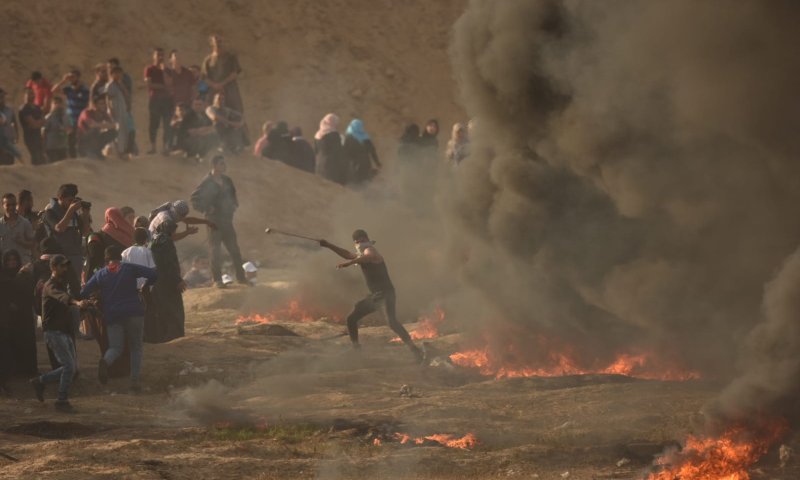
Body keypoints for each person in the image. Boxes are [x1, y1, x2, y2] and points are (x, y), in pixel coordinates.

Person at [319, 230, 423, 363]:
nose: (360, 243)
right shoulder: (361, 254)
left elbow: (367, 257)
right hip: (375, 297)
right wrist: (328, 245)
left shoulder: (371, 250)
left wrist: (350, 263)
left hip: (386, 295)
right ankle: (356, 350)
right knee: (351, 318)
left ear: (367, 240)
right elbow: (347, 254)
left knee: (392, 322)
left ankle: (415, 350)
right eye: (357, 242)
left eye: (362, 240)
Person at [81, 245, 157, 392]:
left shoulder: (100, 274)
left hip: (113, 314)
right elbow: (153, 274)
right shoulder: (129, 268)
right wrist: (146, 286)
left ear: (106, 260)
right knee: (136, 347)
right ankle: (134, 382)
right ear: (120, 258)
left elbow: (84, 292)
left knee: (115, 348)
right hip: (134, 312)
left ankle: (105, 362)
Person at [30, 254, 89, 412]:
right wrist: (77, 302)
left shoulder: (61, 283)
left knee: (71, 368)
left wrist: (85, 304)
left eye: (66, 265)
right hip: (54, 332)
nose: (65, 268)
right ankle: (61, 401)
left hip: (64, 331)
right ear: (53, 267)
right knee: (69, 366)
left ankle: (40, 381)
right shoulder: (50, 285)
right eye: (62, 266)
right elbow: (64, 298)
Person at [190, 155, 246, 287]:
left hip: (227, 220)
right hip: (213, 221)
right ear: (214, 166)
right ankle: (217, 280)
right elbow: (194, 198)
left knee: (235, 250)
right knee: (215, 251)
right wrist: (206, 208)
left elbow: (233, 195)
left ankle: (241, 278)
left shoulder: (227, 180)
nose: (224, 166)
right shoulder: (207, 182)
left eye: (224, 164)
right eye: (222, 164)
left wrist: (234, 205)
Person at [201, 34, 248, 144]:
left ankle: (243, 141)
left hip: (230, 90)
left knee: (237, 112)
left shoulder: (230, 57)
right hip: (214, 92)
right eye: (216, 41)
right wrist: (214, 85)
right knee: (213, 114)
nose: (218, 43)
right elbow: (204, 77)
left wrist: (223, 83)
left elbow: (234, 73)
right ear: (211, 43)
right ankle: (214, 143)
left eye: (220, 41)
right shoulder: (208, 60)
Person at [145, 219, 186, 343]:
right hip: (168, 281)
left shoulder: (152, 240)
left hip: (155, 280)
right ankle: (175, 336)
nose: (174, 233)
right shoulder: (167, 242)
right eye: (174, 231)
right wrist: (178, 280)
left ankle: (161, 336)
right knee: (174, 309)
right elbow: (170, 263)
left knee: (161, 309)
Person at [43, 184, 92, 280]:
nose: (71, 203)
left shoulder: (74, 214)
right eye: (69, 200)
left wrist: (86, 214)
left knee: (75, 285)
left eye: (73, 200)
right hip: (58, 257)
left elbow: (85, 232)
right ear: (61, 198)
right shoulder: (50, 213)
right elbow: (59, 228)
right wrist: (71, 209)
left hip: (75, 256)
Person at [3, 250, 37, 376]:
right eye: (9, 260)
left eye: (14, 260)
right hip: (9, 316)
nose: (12, 262)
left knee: (26, 341)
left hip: (24, 313)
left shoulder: (25, 274)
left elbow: (29, 291)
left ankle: (28, 369)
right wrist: (9, 304)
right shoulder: (3, 275)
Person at [51, 69, 90, 158]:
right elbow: (53, 90)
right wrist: (63, 81)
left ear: (78, 77)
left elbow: (88, 101)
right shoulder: (68, 88)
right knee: (70, 139)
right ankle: (73, 157)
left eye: (73, 77)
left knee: (81, 139)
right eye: (70, 77)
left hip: (81, 118)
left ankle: (83, 156)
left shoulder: (84, 89)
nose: (71, 79)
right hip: (70, 118)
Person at [144, 47, 174, 154]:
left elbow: (170, 84)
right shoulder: (149, 69)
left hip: (167, 100)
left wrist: (164, 71)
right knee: (154, 124)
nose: (160, 57)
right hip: (155, 100)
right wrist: (163, 87)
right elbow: (149, 84)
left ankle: (165, 147)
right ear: (154, 56)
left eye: (162, 55)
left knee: (167, 124)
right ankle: (153, 147)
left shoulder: (168, 70)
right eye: (158, 55)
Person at [148, 199, 214, 242]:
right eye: (183, 216)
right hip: (153, 246)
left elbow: (188, 220)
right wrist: (187, 232)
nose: (183, 218)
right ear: (179, 214)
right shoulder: (168, 222)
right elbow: (173, 238)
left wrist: (207, 222)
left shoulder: (167, 212)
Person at [77, 94, 118, 159]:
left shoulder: (103, 113)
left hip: (94, 139)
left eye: (104, 103)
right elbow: (91, 125)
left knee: (113, 132)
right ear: (95, 105)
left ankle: (96, 151)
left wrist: (99, 125)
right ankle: (89, 152)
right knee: (95, 130)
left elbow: (114, 125)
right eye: (101, 104)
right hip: (83, 141)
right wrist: (104, 125)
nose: (103, 106)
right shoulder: (87, 112)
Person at [0, 193, 35, 264]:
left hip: (23, 263)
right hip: (5, 265)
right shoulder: (0, 224)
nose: (11, 207)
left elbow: (33, 244)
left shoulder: (25, 223)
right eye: (8, 205)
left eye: (13, 204)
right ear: (2, 205)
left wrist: (22, 242)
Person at [343, 119, 381, 184]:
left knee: (356, 182)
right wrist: (378, 163)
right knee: (365, 182)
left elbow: (345, 153)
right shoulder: (365, 137)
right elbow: (372, 151)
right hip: (366, 164)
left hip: (354, 165)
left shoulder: (348, 138)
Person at [104, 66, 130, 158]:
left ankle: (121, 151)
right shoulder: (110, 85)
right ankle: (116, 151)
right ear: (112, 74)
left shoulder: (119, 85)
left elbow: (126, 95)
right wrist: (109, 109)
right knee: (116, 130)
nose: (119, 75)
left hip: (122, 110)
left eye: (120, 73)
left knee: (123, 130)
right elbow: (107, 98)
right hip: (115, 110)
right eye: (116, 73)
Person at [314, 113, 346, 185]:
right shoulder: (334, 135)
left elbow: (316, 150)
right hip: (331, 165)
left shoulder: (317, 134)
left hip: (319, 164)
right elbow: (338, 151)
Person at [18, 87, 46, 165]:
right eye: (29, 94)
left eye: (32, 93)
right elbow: (33, 124)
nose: (32, 95)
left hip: (38, 135)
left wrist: (38, 123)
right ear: (24, 95)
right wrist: (39, 122)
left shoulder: (37, 107)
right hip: (30, 137)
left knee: (42, 157)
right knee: (35, 157)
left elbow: (44, 121)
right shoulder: (24, 108)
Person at [43, 96, 72, 162]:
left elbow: (70, 129)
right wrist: (44, 148)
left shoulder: (66, 116)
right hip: (51, 147)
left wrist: (65, 130)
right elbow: (44, 133)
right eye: (55, 103)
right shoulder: (48, 117)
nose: (57, 105)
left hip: (63, 147)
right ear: (51, 105)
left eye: (59, 103)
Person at [0, 88, 19, 165]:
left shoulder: (9, 110)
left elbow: (14, 123)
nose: (2, 99)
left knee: (9, 163)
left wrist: (16, 136)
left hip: (8, 143)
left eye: (2, 96)